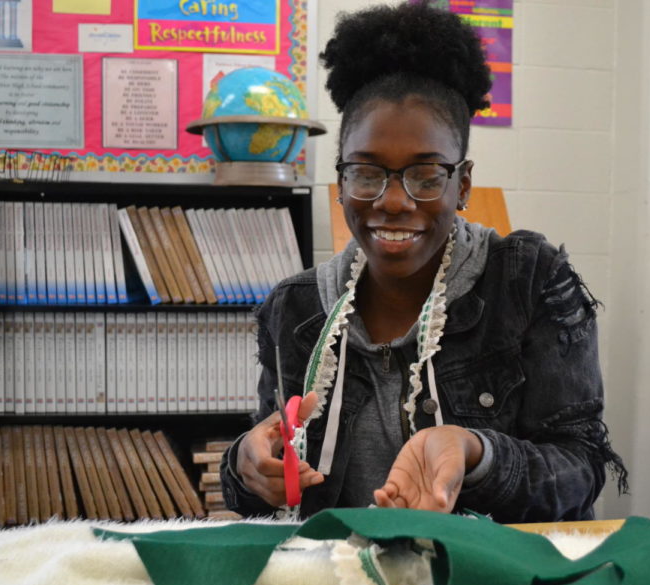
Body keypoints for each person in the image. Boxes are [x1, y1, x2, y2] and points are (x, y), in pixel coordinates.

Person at [221, 1, 626, 524]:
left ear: (463, 185)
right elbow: (265, 471)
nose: (394, 201)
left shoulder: (529, 282)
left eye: (427, 175)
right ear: (341, 182)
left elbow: (582, 466)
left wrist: (476, 452)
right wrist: (245, 467)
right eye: (367, 173)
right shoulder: (295, 308)